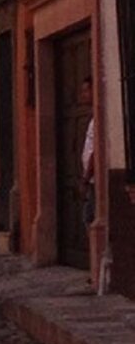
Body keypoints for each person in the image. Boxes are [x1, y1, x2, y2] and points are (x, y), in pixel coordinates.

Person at [81, 76, 95, 237]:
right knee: (88, 217)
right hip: (91, 180)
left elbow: (94, 152)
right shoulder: (93, 118)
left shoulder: (96, 120)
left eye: (86, 90)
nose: (83, 95)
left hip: (93, 180)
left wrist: (85, 177)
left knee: (89, 217)